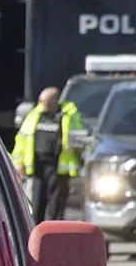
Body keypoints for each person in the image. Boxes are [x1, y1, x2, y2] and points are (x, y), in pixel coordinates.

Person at [11, 86, 83, 223]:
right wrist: (18, 163)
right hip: (38, 168)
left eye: (44, 102)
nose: (40, 105)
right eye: (40, 101)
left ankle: (53, 236)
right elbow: (22, 139)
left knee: (55, 207)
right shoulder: (34, 115)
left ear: (55, 101)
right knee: (36, 205)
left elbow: (79, 138)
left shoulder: (69, 115)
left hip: (59, 169)